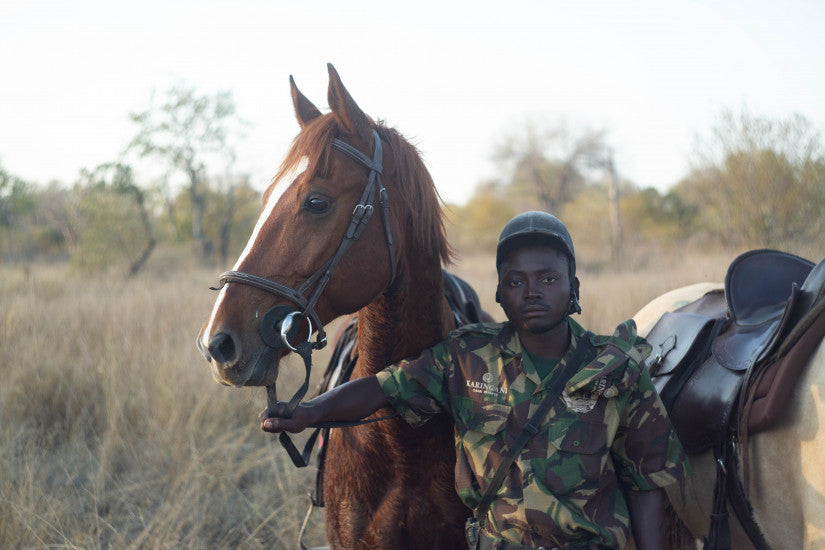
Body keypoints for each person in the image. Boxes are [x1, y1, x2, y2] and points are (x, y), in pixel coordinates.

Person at [263, 211, 688, 550]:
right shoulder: (466, 357)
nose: (532, 291)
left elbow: (645, 483)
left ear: (573, 288)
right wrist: (309, 413)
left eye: (549, 279)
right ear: (500, 295)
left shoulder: (616, 369)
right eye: (516, 281)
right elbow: (383, 387)